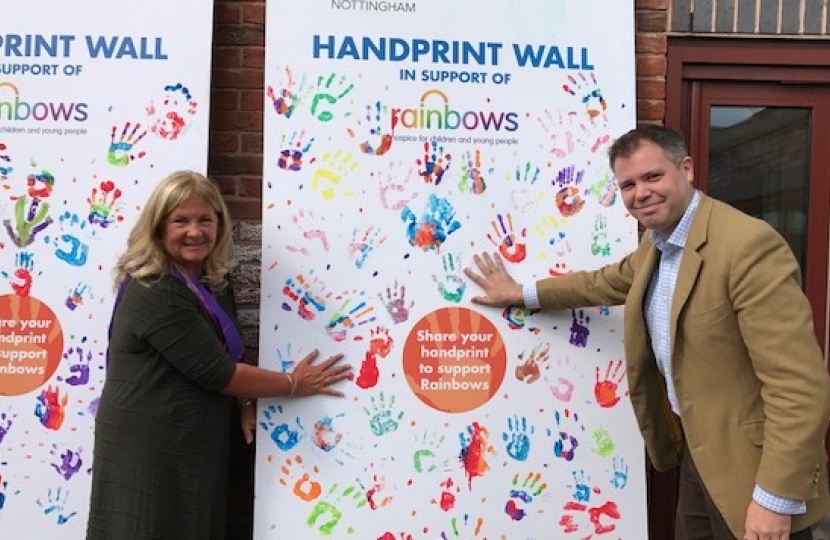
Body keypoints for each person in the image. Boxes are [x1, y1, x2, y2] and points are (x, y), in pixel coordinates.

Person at [464, 125, 830, 540]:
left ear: (686, 169)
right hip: (697, 455)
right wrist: (520, 293)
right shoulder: (657, 245)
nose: (641, 193)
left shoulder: (747, 246)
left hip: (751, 469)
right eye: (628, 185)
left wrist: (775, 498)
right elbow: (599, 283)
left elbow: (799, 388)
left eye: (653, 177)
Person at [86, 170, 351, 539]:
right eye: (180, 221)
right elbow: (218, 372)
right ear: (159, 227)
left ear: (219, 224)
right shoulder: (156, 288)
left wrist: (245, 403)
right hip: (148, 443)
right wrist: (294, 383)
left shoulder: (210, 279)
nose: (195, 231)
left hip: (189, 438)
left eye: (205, 220)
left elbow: (225, 346)